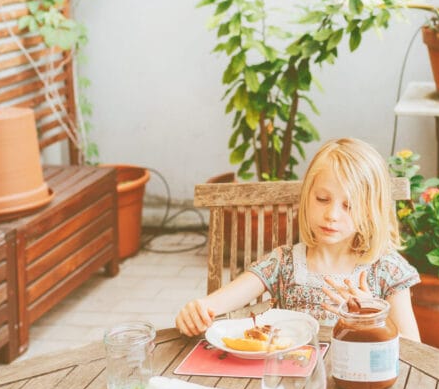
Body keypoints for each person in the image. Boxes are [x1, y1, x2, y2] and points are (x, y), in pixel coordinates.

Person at [176, 137, 421, 341]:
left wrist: (372, 314)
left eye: (349, 205)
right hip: (293, 383)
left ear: (370, 210)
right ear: (307, 197)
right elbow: (216, 303)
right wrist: (197, 311)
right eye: (322, 199)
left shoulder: (386, 269)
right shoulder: (284, 263)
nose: (331, 215)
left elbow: (414, 350)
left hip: (362, 386)